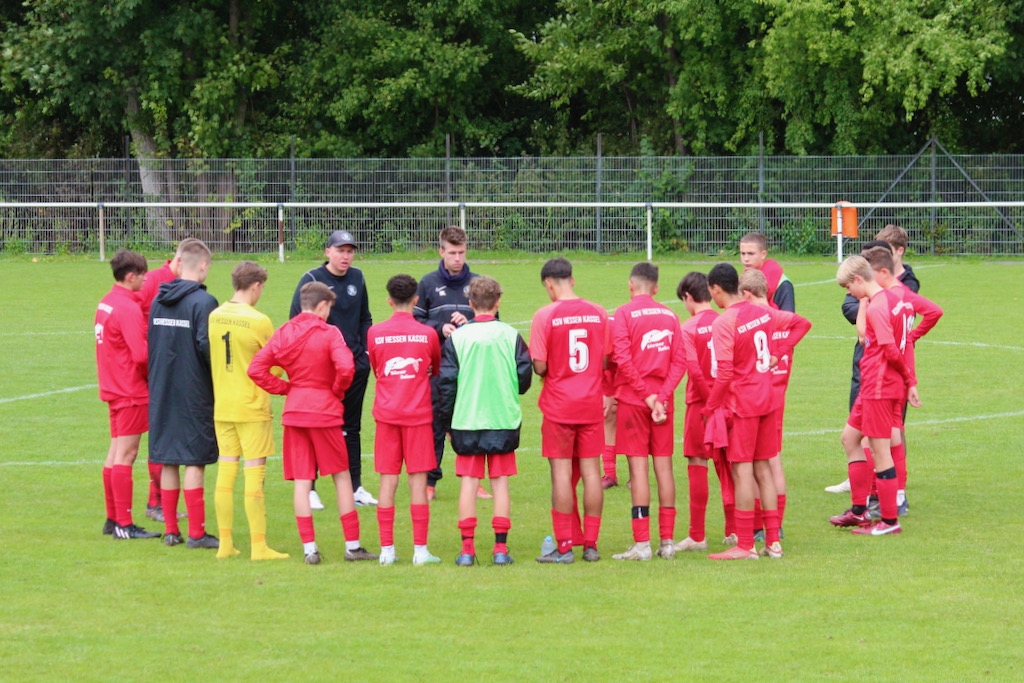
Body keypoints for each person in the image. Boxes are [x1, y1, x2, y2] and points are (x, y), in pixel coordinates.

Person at [250, 282, 377, 564]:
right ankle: (353, 546)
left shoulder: (284, 332)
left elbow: (256, 369)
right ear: (322, 306)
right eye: (329, 307)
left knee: (302, 480)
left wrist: (287, 389)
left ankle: (310, 549)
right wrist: (336, 391)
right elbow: (346, 367)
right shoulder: (329, 333)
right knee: (341, 476)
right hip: (325, 412)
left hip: (296, 412)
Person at [436, 276, 532, 566]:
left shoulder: (458, 338)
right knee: (500, 483)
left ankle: (467, 550)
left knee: (469, 483)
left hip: (467, 420)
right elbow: (524, 379)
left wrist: (446, 423)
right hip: (503, 419)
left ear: (470, 304)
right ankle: (500, 549)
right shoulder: (511, 335)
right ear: (498, 302)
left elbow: (446, 384)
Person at [827, 225, 922, 497]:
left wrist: (909, 373)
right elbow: (848, 307)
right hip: (870, 370)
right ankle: (866, 493)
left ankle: (890, 496)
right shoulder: (875, 295)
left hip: (884, 377)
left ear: (898, 252)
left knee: (887, 435)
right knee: (855, 435)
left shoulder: (897, 291)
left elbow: (876, 338)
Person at [529, 257, 609, 564]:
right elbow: (604, 359)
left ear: (548, 284)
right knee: (592, 472)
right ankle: (591, 544)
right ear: (572, 280)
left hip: (559, 405)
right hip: (590, 403)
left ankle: (564, 547)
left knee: (561, 473)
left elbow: (540, 366)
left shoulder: (544, 315)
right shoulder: (599, 312)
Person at [289, 230, 376, 509]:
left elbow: (365, 318)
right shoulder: (311, 279)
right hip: (323, 371)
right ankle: (310, 488)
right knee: (316, 427)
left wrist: (364, 354)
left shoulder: (358, 277)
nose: (345, 256)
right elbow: (297, 321)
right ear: (328, 252)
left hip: (354, 367)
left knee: (352, 428)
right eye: (340, 250)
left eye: (350, 251)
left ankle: (355, 487)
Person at [209, 261, 289, 561]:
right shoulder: (259, 321)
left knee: (226, 471)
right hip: (252, 407)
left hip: (223, 405)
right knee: (254, 474)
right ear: (256, 286)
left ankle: (225, 544)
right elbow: (276, 363)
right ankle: (258, 546)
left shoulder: (215, 315)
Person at [609, 262, 686, 561]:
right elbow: (680, 361)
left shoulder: (623, 313)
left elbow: (622, 358)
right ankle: (667, 543)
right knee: (664, 469)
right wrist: (661, 397)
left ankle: (642, 544)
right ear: (656, 288)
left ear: (631, 285)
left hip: (634, 400)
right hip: (663, 404)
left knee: (638, 470)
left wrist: (646, 396)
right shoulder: (670, 315)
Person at [704, 263, 781, 560]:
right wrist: (777, 354)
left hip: (744, 404)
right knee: (763, 469)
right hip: (767, 398)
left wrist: (711, 406)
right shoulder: (763, 311)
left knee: (742, 470)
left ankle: (746, 544)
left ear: (715, 289)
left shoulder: (724, 322)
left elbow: (724, 373)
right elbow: (798, 324)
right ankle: (773, 542)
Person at [148, 239, 220, 549]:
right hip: (194, 390)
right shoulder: (205, 302)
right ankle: (197, 533)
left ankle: (171, 530)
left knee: (168, 459)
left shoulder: (158, 300)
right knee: (194, 460)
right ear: (203, 266)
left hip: (162, 388)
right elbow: (207, 348)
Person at [859, 245, 942, 516]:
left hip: (886, 374)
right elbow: (934, 311)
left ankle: (877, 498)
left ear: (883, 272)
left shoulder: (888, 299)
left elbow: (868, 337)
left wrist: (911, 337)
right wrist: (911, 338)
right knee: (893, 435)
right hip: (901, 372)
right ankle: (897, 496)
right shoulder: (905, 295)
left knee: (873, 440)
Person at [367, 274, 443, 566]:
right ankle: (420, 551)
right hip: (418, 415)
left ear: (389, 300)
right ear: (416, 300)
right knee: (418, 482)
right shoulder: (428, 333)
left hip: (387, 414)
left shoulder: (375, 332)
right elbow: (434, 367)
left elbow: (377, 368)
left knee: (388, 480)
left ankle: (387, 550)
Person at [414, 226, 491, 501]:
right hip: (438, 368)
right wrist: (439, 327)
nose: (457, 258)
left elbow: (493, 321)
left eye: (461, 252)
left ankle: (474, 482)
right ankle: (430, 482)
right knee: (435, 424)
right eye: (452, 253)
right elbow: (415, 321)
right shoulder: (428, 283)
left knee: (470, 424)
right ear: (441, 251)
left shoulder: (478, 283)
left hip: (472, 369)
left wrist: (469, 322)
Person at [738, 269, 812, 543]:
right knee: (773, 461)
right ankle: (775, 525)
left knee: (753, 465)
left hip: (755, 397)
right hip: (777, 395)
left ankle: (759, 525)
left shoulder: (752, 320)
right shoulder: (781, 317)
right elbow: (804, 324)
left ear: (746, 294)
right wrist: (780, 353)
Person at [95, 249, 161, 540]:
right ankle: (124, 523)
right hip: (130, 390)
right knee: (127, 454)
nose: (146, 280)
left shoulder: (107, 302)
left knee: (114, 453)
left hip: (112, 386)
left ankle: (113, 519)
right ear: (131, 276)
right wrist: (154, 376)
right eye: (143, 275)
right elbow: (141, 355)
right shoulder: (128, 308)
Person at [136, 238, 201, 523]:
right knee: (162, 437)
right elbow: (131, 313)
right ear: (180, 260)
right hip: (155, 370)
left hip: (176, 371)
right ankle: (156, 503)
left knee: (169, 437)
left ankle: (160, 503)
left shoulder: (185, 286)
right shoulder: (154, 281)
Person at [672, 271, 733, 552]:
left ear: (688, 297)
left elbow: (694, 371)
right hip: (728, 401)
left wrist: (709, 404)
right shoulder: (725, 320)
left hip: (701, 404)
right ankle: (734, 530)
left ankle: (697, 535)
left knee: (697, 462)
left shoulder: (688, 328)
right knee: (730, 465)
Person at [739, 232, 795, 312]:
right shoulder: (744, 279)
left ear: (763, 254)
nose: (746, 259)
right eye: (743, 253)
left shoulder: (783, 283)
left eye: (751, 254)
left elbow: (788, 316)